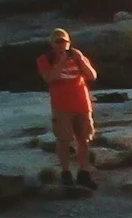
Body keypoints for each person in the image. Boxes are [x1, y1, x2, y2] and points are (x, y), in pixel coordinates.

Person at [37, 29, 98, 192]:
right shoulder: (45, 59)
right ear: (51, 44)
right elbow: (50, 78)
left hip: (82, 105)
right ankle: (65, 172)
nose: (61, 45)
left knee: (84, 140)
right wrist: (62, 61)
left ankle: (84, 172)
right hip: (62, 106)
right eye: (58, 42)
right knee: (63, 140)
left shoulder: (77, 56)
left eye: (64, 42)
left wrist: (81, 60)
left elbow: (92, 76)